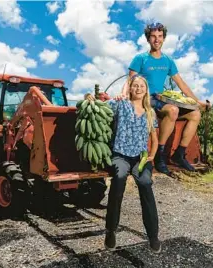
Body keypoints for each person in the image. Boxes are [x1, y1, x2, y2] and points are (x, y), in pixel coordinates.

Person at [121, 22, 210, 174]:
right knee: (173, 110)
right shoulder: (140, 58)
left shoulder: (168, 61)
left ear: (164, 38)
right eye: (153, 37)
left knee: (195, 114)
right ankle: (159, 157)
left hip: (162, 98)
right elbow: (131, 81)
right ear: (148, 39)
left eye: (160, 36)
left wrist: (197, 102)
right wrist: (126, 97)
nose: (157, 40)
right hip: (146, 98)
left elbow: (181, 83)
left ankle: (179, 155)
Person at [85, 75, 161, 253]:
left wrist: (152, 156)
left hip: (140, 157)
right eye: (135, 85)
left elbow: (155, 139)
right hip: (120, 155)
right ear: (130, 88)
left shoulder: (150, 112)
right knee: (119, 178)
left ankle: (153, 236)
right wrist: (88, 97)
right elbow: (98, 106)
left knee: (145, 183)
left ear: (146, 90)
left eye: (142, 86)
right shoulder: (120, 104)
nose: (139, 88)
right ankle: (111, 230)